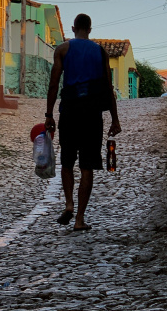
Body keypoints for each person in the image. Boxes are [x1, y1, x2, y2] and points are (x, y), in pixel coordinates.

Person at [45, 13, 121, 232]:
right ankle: (79, 219)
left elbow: (53, 84)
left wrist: (49, 115)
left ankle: (68, 203)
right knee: (87, 167)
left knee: (67, 161)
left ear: (73, 28)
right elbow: (109, 88)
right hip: (92, 114)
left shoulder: (62, 49)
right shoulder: (100, 52)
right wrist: (114, 119)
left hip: (69, 110)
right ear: (89, 29)